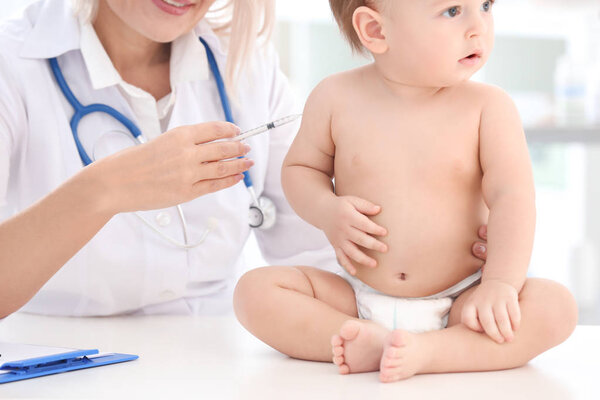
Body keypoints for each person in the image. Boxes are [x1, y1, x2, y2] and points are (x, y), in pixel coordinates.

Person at [0, 0, 487, 319]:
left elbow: (318, 251)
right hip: (57, 363)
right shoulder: (12, 66)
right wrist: (103, 192)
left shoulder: (244, 65)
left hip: (217, 363)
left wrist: (438, 260)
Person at [233, 0, 578, 383]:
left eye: (484, 5)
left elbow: (512, 198)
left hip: (462, 299)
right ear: (377, 31)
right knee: (254, 292)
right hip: (355, 296)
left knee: (555, 307)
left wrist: (499, 284)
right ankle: (366, 340)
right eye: (452, 11)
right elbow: (301, 170)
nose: (478, 26)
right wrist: (325, 209)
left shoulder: (488, 108)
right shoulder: (334, 97)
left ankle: (431, 352)